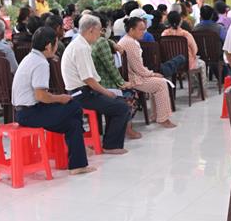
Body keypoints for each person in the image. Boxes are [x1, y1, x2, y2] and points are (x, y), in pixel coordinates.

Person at [12, 26, 94, 174]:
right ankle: (80, 151)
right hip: (30, 113)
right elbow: (41, 96)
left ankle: (78, 165)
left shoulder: (30, 58)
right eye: (56, 43)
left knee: (73, 124)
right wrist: (60, 98)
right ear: (49, 46)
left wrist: (57, 99)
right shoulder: (41, 63)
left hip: (22, 112)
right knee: (74, 106)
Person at [61, 15, 133, 153]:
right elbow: (88, 79)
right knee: (122, 107)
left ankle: (109, 142)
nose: (100, 33)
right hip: (81, 94)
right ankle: (111, 145)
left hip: (84, 91)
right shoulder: (81, 47)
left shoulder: (80, 44)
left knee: (117, 101)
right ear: (91, 30)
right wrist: (106, 92)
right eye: (99, 30)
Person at [119, 16, 176, 128]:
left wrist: (151, 74)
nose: (143, 32)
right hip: (133, 78)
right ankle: (163, 119)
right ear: (131, 29)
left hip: (134, 75)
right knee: (161, 84)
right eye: (140, 29)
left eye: (144, 29)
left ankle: (156, 115)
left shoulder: (127, 40)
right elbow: (138, 68)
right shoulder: (130, 43)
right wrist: (152, 74)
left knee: (159, 81)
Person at [163, 11, 206, 86]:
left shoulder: (164, 34)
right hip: (187, 64)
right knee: (202, 63)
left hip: (171, 63)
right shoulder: (186, 34)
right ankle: (200, 89)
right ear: (180, 21)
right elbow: (195, 50)